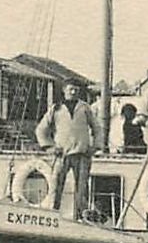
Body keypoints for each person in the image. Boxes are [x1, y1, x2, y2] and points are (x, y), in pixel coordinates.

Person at [35, 80, 100, 220]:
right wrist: (50, 147)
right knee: (55, 187)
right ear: (64, 91)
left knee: (82, 189)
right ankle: (53, 216)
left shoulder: (85, 108)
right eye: (70, 89)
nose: (73, 92)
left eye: (76, 89)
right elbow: (41, 130)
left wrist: (94, 147)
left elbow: (97, 128)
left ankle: (82, 218)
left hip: (82, 155)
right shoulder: (56, 108)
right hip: (62, 155)